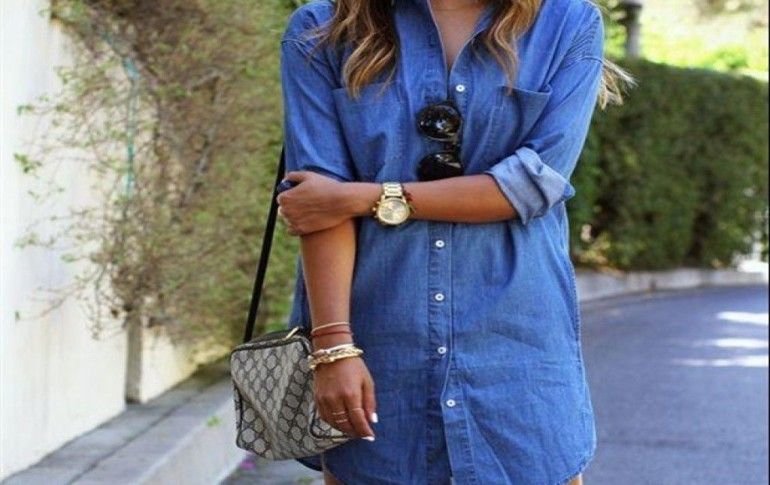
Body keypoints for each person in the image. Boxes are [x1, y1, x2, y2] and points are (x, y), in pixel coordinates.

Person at [275, 0, 631, 483]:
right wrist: (334, 347)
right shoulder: (324, 28)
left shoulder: (565, 21)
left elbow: (533, 184)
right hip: (378, 353)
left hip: (517, 361)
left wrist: (368, 197)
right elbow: (318, 201)